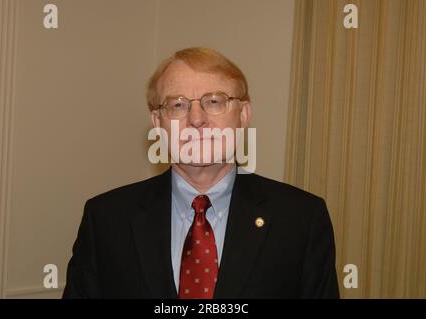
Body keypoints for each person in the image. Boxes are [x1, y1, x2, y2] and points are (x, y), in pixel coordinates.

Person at [63, 47, 340, 299]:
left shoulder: (301, 219)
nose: (196, 120)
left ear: (243, 115)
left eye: (215, 102)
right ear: (158, 123)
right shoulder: (106, 219)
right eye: (178, 105)